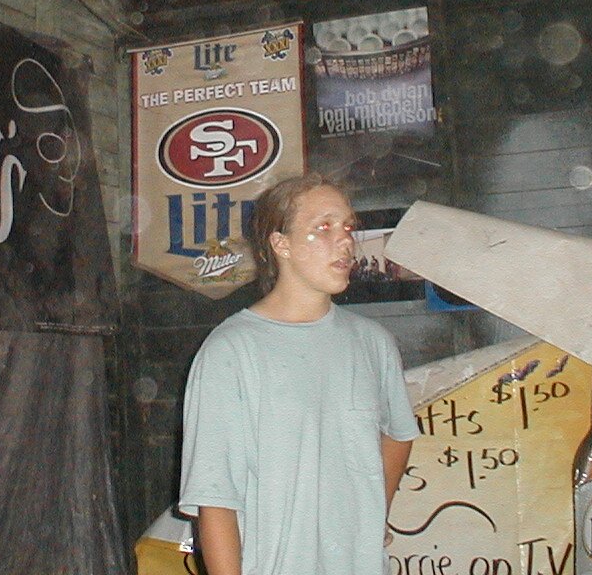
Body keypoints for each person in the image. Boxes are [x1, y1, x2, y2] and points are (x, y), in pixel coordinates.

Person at [179, 173, 418, 575]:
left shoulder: (373, 342)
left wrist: (374, 515)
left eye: (347, 228)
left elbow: (399, 433)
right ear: (280, 244)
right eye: (322, 228)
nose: (344, 241)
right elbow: (215, 498)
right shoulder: (231, 352)